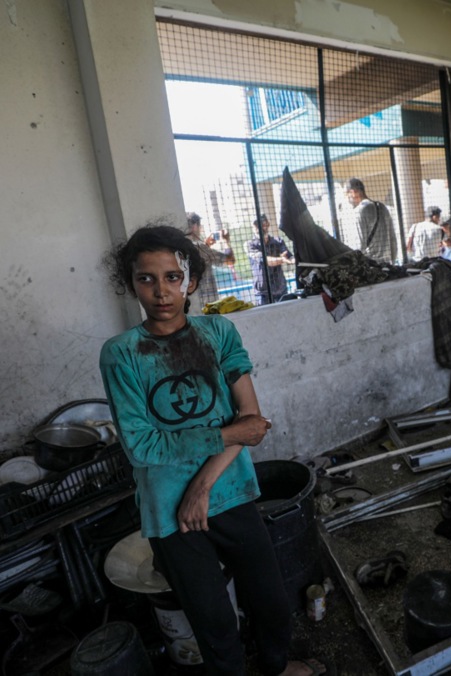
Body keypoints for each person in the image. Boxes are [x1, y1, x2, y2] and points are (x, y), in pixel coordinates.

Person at [99, 223, 327, 676]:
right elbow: (143, 447)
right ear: (131, 285)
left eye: (172, 277)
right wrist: (229, 436)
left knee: (271, 602)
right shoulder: (121, 353)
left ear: (192, 281)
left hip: (229, 492)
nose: (161, 291)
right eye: (146, 279)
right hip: (169, 512)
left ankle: (276, 667)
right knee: (215, 625)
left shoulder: (218, 333)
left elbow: (253, 423)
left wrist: (201, 485)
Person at [186, 212, 234, 311]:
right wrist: (226, 241)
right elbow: (230, 260)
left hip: (190, 301)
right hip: (206, 302)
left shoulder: (182, 246)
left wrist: (206, 246)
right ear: (195, 226)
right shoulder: (200, 248)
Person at [343, 177, 398, 265]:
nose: (346, 198)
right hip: (387, 265)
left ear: (353, 192)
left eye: (346, 194)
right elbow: (393, 239)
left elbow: (359, 246)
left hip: (371, 267)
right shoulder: (382, 207)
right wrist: (393, 262)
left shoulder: (359, 211)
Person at [245, 215, 294, 305]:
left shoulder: (278, 241)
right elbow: (265, 260)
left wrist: (294, 260)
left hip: (280, 289)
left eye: (261, 223)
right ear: (253, 226)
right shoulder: (250, 244)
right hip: (263, 293)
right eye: (256, 224)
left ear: (267, 224)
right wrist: (282, 259)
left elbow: (289, 256)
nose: (258, 227)